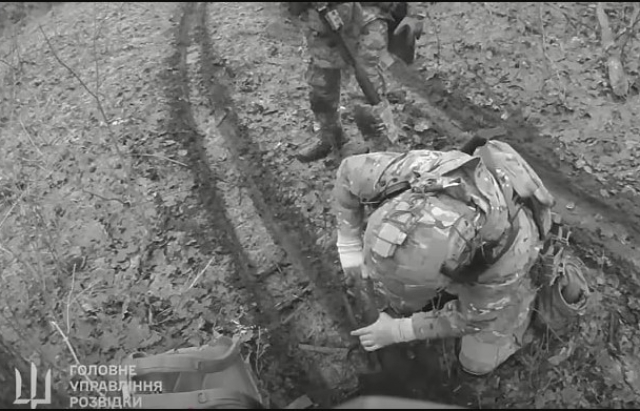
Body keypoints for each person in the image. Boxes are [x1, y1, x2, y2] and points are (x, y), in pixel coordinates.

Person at [332, 140, 590, 375]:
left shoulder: (507, 255)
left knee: (476, 363)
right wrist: (348, 246)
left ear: (452, 271)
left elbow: (473, 317)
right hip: (472, 199)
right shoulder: (409, 171)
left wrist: (399, 331)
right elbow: (347, 174)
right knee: (402, 301)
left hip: (514, 247)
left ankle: (532, 305)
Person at [287, 2, 423, 163]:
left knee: (366, 98)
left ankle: (386, 157)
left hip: (366, 21)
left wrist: (415, 14)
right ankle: (331, 139)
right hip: (322, 22)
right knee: (320, 91)